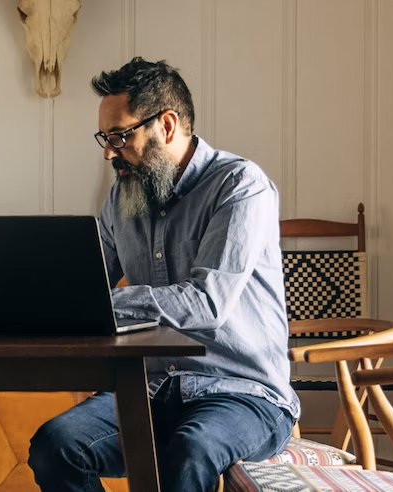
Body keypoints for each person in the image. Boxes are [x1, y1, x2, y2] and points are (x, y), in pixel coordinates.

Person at [28, 57, 300, 492]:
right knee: (55, 445)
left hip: (243, 392)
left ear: (167, 125)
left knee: (190, 450)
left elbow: (207, 303)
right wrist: (27, 289)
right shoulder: (122, 198)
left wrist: (99, 303)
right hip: (150, 388)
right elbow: (85, 280)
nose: (108, 152)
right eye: (104, 137)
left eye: (120, 136)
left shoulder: (240, 186)